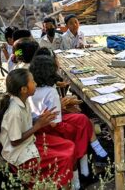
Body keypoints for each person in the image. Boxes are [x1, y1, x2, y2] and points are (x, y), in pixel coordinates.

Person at [28, 55, 108, 189]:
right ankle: (81, 175)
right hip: (51, 127)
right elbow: (57, 123)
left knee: (81, 119)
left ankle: (90, 163)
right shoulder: (51, 91)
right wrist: (63, 105)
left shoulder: (34, 88)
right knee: (79, 128)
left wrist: (61, 105)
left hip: (42, 124)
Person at [0, 68, 75, 189]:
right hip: (19, 152)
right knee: (65, 157)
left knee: (68, 145)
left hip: (29, 141)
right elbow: (15, 141)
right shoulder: (14, 111)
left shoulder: (23, 101)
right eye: (33, 82)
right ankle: (59, 185)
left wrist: (40, 118)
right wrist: (38, 125)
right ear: (24, 89)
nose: (36, 84)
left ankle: (64, 183)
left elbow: (26, 123)